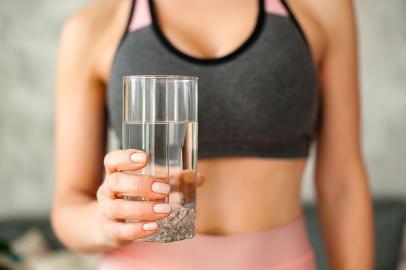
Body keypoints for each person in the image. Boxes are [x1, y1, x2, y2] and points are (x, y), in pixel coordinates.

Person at [52, 0, 374, 269]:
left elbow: (342, 181)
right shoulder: (93, 26)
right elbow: (69, 204)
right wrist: (104, 222)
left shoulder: (322, 7)